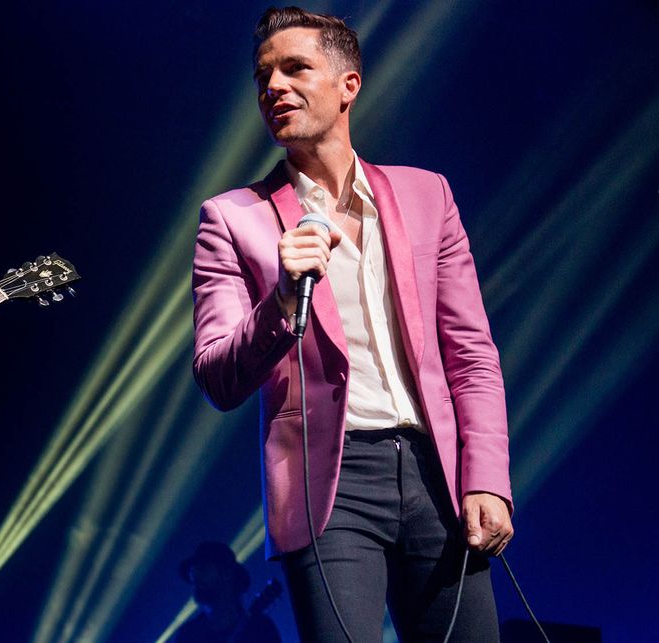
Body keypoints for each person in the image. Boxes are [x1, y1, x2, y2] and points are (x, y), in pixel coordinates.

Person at [191, 7, 513, 641]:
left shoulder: (428, 196)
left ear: (348, 85)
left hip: (434, 472)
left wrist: (488, 478)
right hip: (327, 486)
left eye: (294, 68)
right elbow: (217, 376)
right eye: (263, 77)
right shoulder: (232, 219)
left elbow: (471, 352)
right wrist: (282, 300)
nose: (274, 87)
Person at [173, 542, 282, 643]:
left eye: (203, 569)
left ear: (227, 573)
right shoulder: (187, 635)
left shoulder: (262, 630)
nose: (195, 577)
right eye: (192, 572)